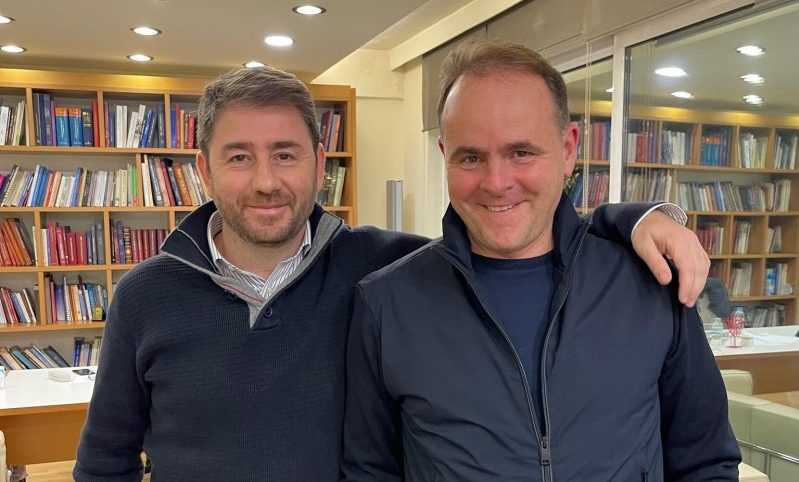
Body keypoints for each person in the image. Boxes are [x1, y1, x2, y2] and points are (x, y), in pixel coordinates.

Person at [74, 64, 708, 481]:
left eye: (285, 154)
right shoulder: (145, 296)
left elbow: (511, 232)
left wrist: (634, 220)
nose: (265, 181)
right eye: (239, 157)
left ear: (319, 160)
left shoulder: (381, 268)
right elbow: (105, 461)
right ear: (204, 168)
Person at [342, 41, 740, 482]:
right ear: (444, 157)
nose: (496, 183)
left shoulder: (650, 282)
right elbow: (370, 472)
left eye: (521, 152)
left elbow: (706, 462)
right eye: (470, 157)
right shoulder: (386, 304)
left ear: (568, 149)